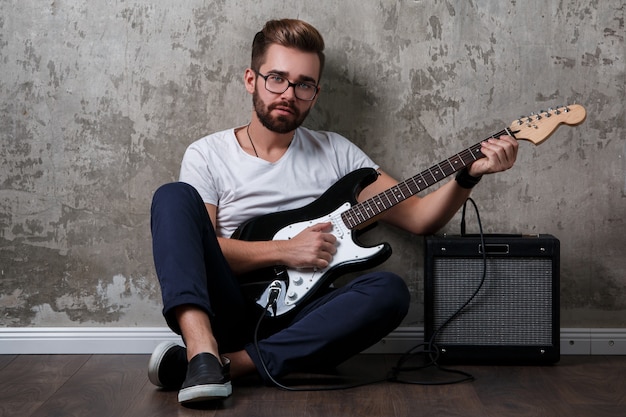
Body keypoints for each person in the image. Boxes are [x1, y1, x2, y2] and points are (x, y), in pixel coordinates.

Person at [148, 18, 518, 405]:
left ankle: (225, 366)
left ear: (315, 92)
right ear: (250, 79)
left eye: (304, 84)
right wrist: (286, 250)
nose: (289, 93)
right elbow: (197, 251)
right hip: (227, 307)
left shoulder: (338, 153)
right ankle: (203, 348)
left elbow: (421, 219)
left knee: (388, 291)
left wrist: (468, 176)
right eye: (276, 78)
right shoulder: (208, 154)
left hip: (306, 319)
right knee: (172, 196)